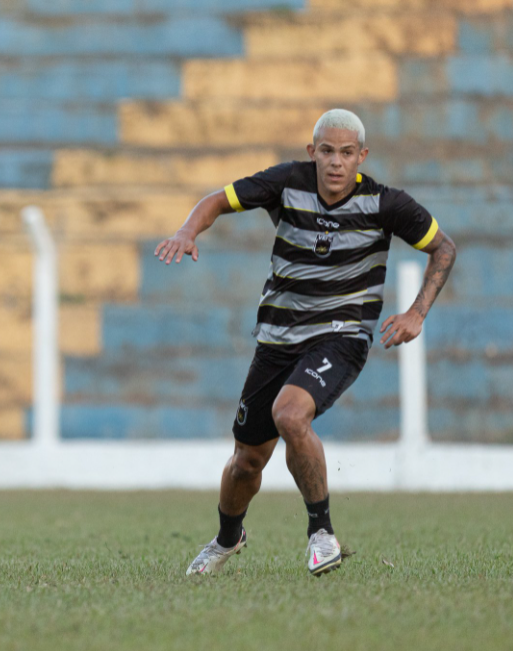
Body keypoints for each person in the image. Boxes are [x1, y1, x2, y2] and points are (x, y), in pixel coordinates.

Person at [154, 109, 457, 577]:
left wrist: (417, 312)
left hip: (341, 335)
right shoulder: (285, 182)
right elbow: (217, 200)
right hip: (277, 338)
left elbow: (444, 247)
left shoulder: (385, 203)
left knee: (291, 414)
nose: (337, 163)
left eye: (347, 153)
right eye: (328, 151)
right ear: (312, 152)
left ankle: (322, 534)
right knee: (245, 462)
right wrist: (187, 230)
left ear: (362, 156)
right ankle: (228, 538)